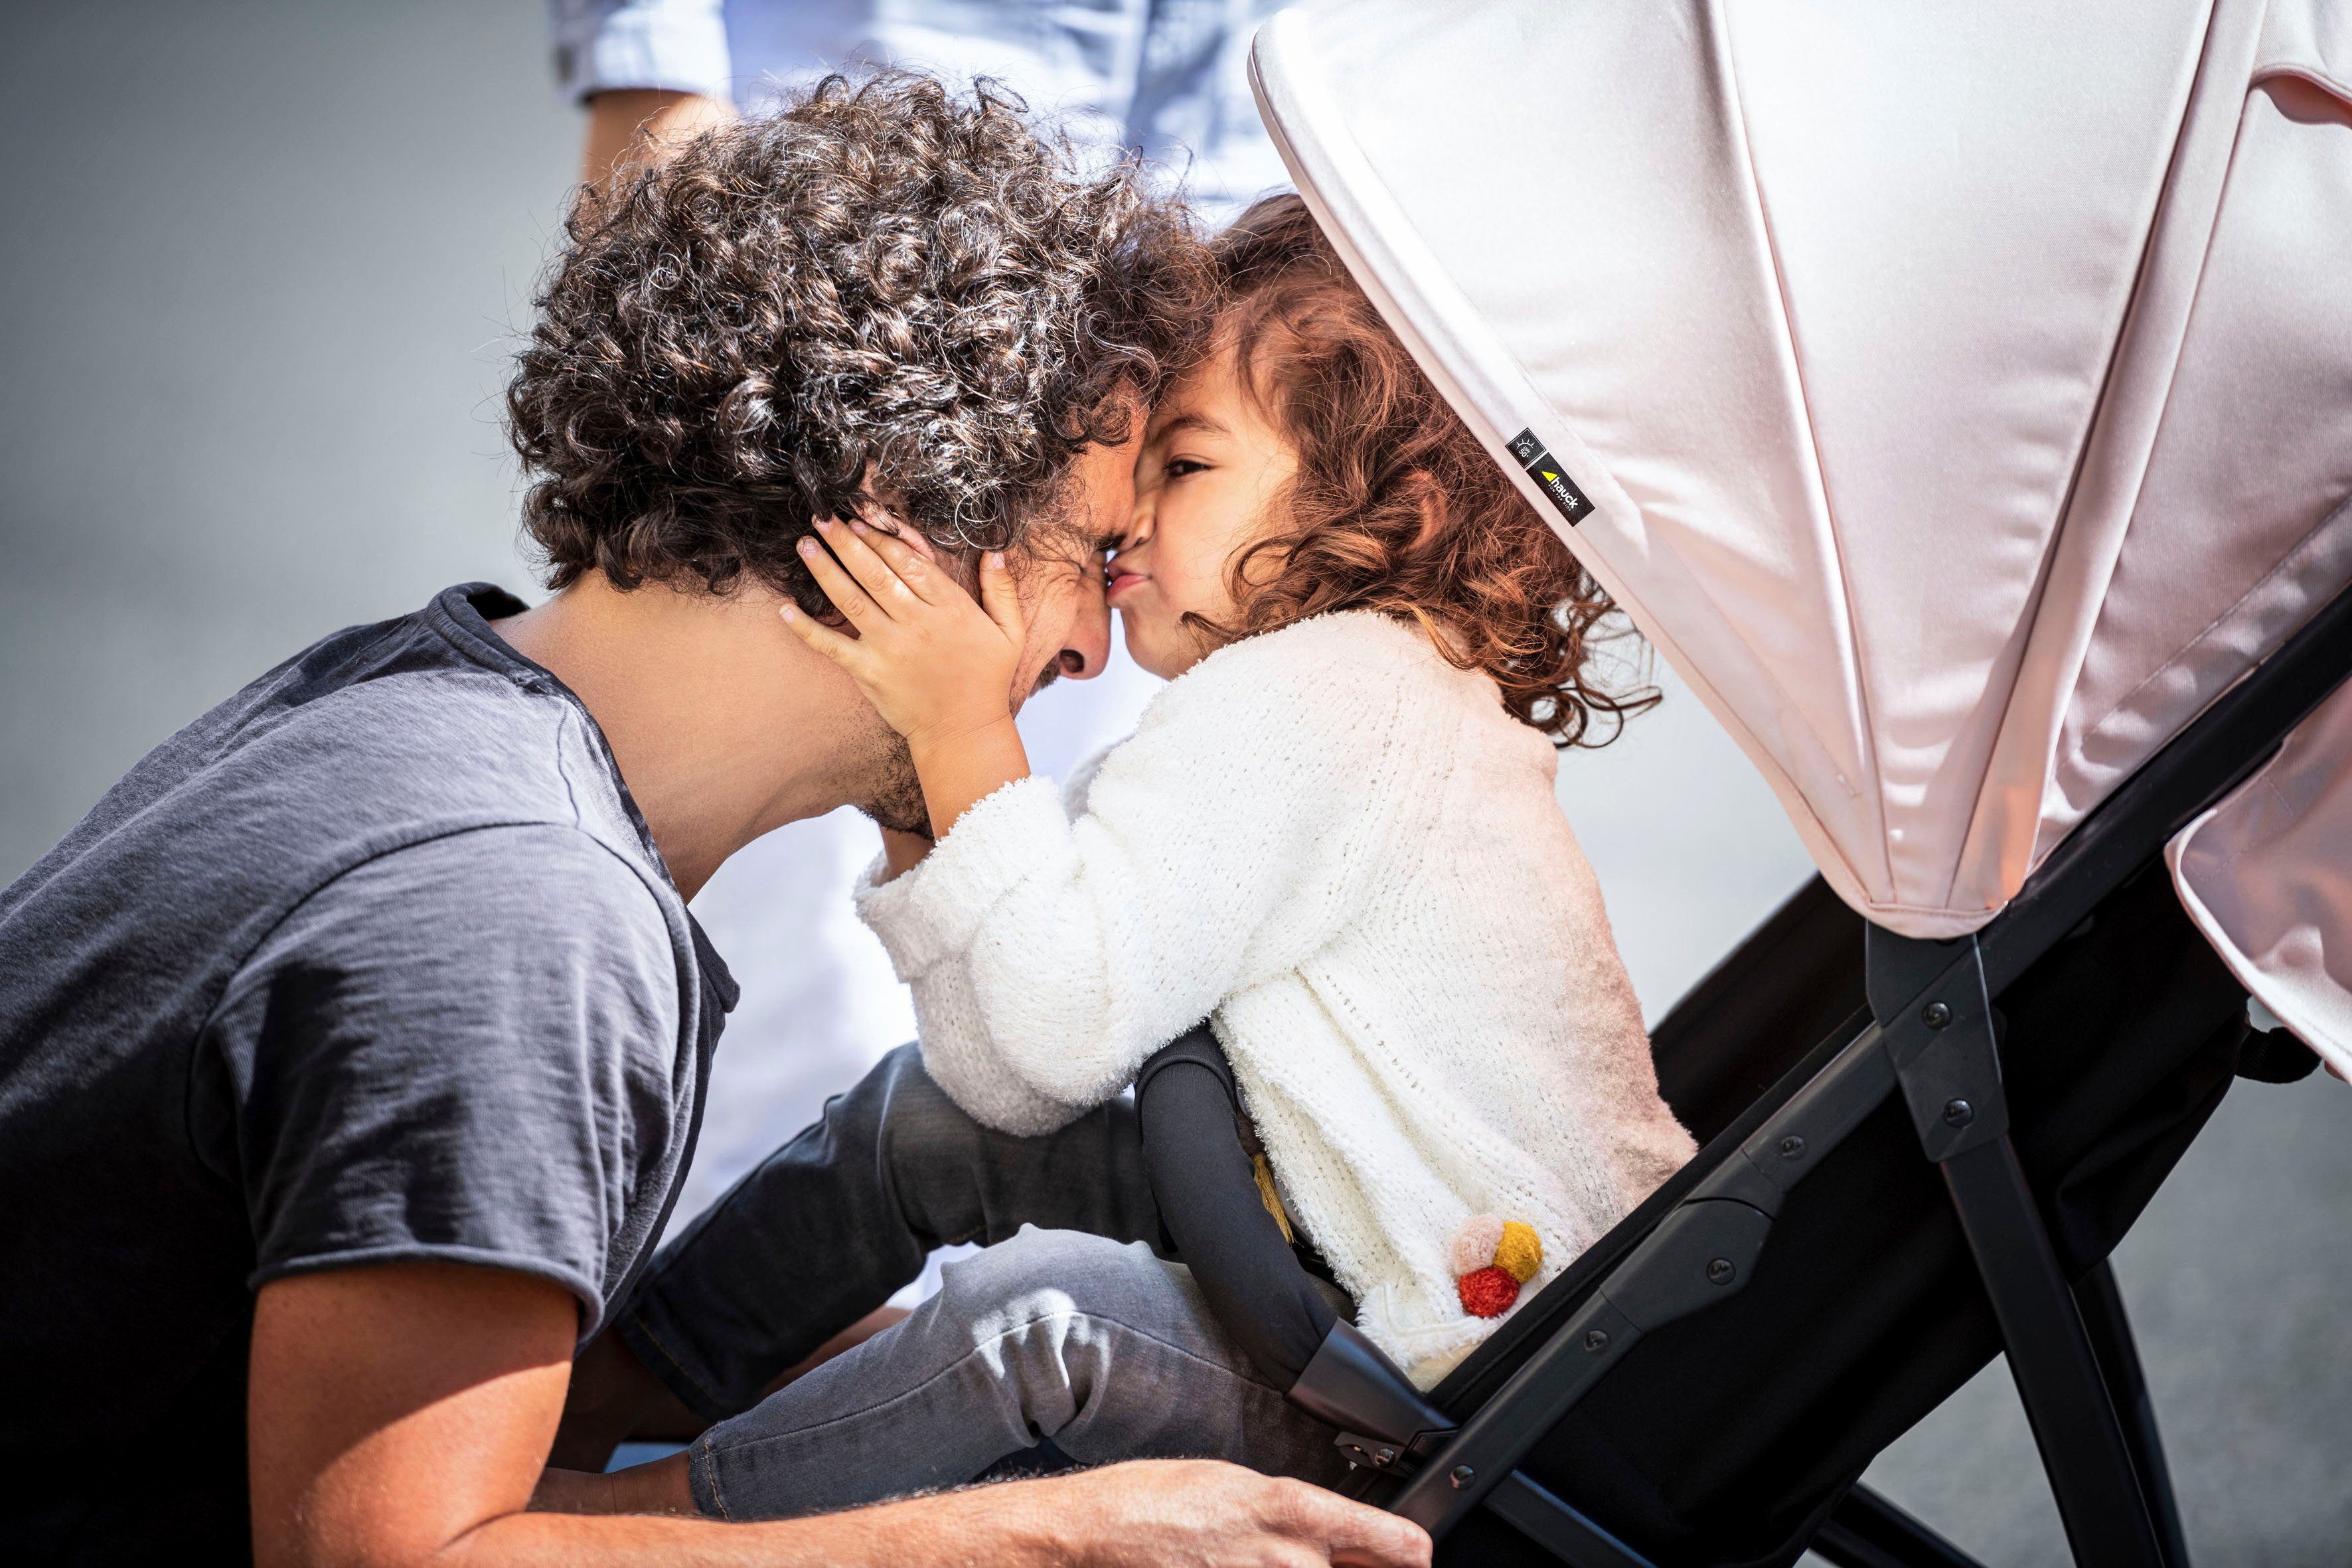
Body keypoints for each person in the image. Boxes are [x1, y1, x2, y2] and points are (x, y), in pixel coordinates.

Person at [0, 75, 1425, 1568]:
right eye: (1092, 553)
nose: (1088, 646)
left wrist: (928, 1392)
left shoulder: (420, 698)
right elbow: (403, 1553)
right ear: (902, 510)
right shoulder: (526, 915)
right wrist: (1057, 1537)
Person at [547, 193, 1696, 1522]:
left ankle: (641, 1518)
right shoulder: (1305, 692)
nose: (1128, 524)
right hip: (1309, 1247)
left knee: (1036, 1323)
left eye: (1187, 467)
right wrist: (927, 799)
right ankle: (607, 1389)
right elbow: (1001, 1080)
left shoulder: (1335, 696)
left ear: (1384, 506)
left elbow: (1049, 1029)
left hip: (1458, 1381)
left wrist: (961, 724)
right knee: (912, 1125)